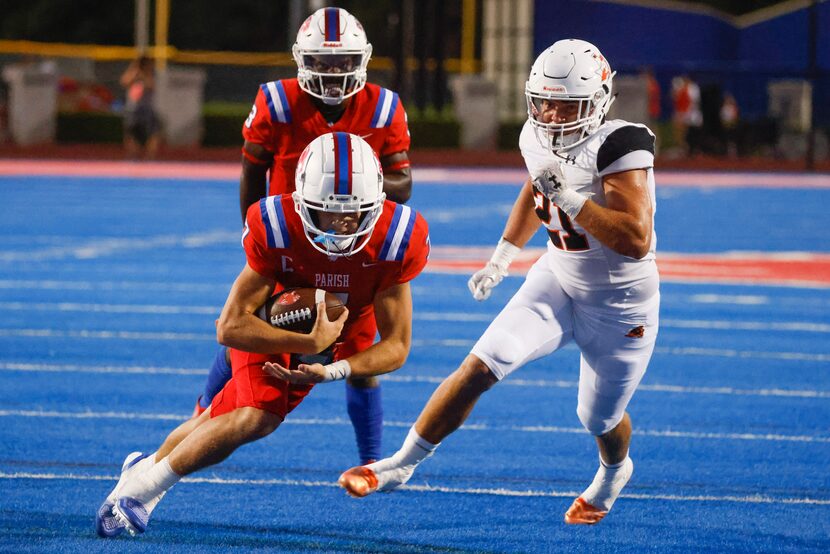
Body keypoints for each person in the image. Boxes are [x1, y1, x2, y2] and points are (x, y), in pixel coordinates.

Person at [339, 39, 660, 526]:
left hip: (621, 304)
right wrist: (503, 256)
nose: (551, 115)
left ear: (597, 101)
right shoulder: (535, 136)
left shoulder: (621, 145)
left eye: (565, 104)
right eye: (544, 101)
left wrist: (571, 200)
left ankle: (614, 472)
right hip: (557, 276)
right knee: (479, 367)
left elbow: (635, 239)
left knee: (598, 418)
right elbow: (537, 189)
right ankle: (400, 465)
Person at [95, 132, 430, 538]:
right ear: (304, 203)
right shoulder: (277, 224)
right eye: (329, 214)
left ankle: (142, 470)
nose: (342, 225)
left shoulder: (398, 237)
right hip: (273, 328)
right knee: (258, 417)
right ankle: (143, 493)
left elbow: (397, 345)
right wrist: (306, 343)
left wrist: (333, 368)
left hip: (327, 344)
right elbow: (230, 326)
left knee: (218, 418)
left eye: (354, 214)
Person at [194, 7, 413, 467]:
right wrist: (254, 236)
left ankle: (370, 461)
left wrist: (360, 187)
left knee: (361, 355)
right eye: (322, 63)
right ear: (301, 61)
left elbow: (403, 184)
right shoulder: (276, 101)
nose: (333, 75)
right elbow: (252, 170)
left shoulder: (384, 106)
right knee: (246, 329)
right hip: (290, 246)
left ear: (363, 60)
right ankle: (201, 416)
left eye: (342, 63)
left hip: (356, 250)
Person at [120, 55, 160, 159]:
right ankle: (132, 157)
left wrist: (143, 75)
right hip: (133, 110)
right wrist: (134, 68)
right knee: (132, 135)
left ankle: (149, 158)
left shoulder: (151, 74)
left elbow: (151, 85)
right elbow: (124, 81)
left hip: (146, 110)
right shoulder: (133, 74)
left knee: (152, 134)